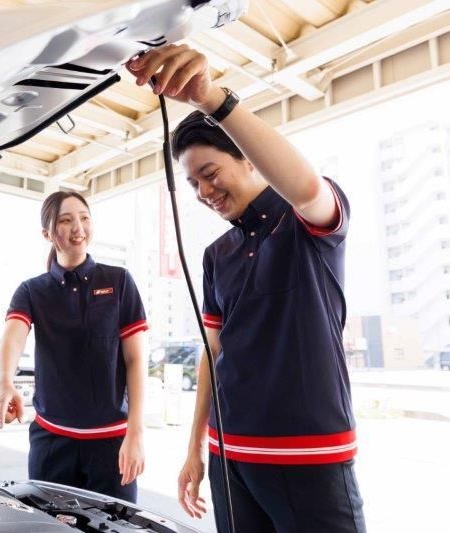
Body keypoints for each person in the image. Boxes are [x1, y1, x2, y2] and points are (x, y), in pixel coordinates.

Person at [127, 45, 366, 532]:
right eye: (193, 184)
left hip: (310, 456)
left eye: (211, 174)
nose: (204, 192)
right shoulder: (217, 255)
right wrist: (195, 448)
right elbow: (213, 352)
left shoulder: (307, 222)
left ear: (249, 160)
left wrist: (212, 99)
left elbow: (306, 187)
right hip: (229, 456)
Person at [0, 191, 148, 503]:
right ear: (48, 234)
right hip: (51, 443)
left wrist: (136, 433)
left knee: (114, 524)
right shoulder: (32, 290)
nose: (78, 227)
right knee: (46, 524)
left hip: (111, 444)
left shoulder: (119, 281)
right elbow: (13, 335)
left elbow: (136, 360)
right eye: (66, 220)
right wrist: (4, 382)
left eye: (84, 218)